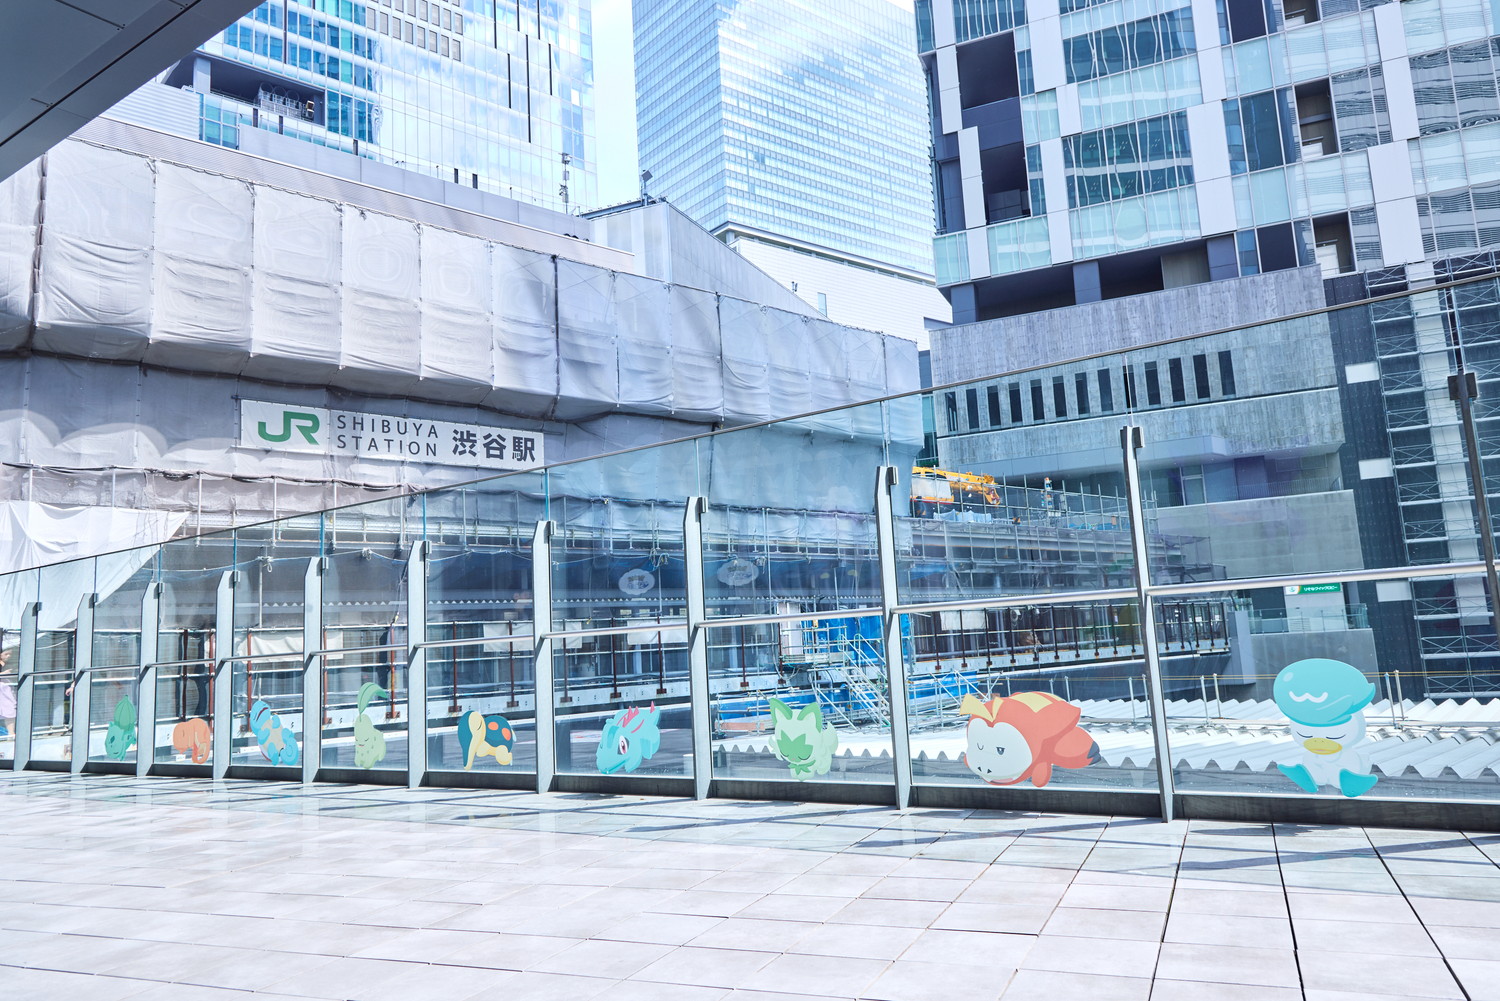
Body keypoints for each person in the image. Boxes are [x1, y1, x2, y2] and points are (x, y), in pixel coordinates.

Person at [0, 646, 18, 740]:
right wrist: (3, 674)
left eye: (10, 654)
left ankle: (10, 733)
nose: (8, 656)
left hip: (7, 690)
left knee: (10, 711)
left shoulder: (9, 664)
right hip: (2, 691)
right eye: (6, 654)